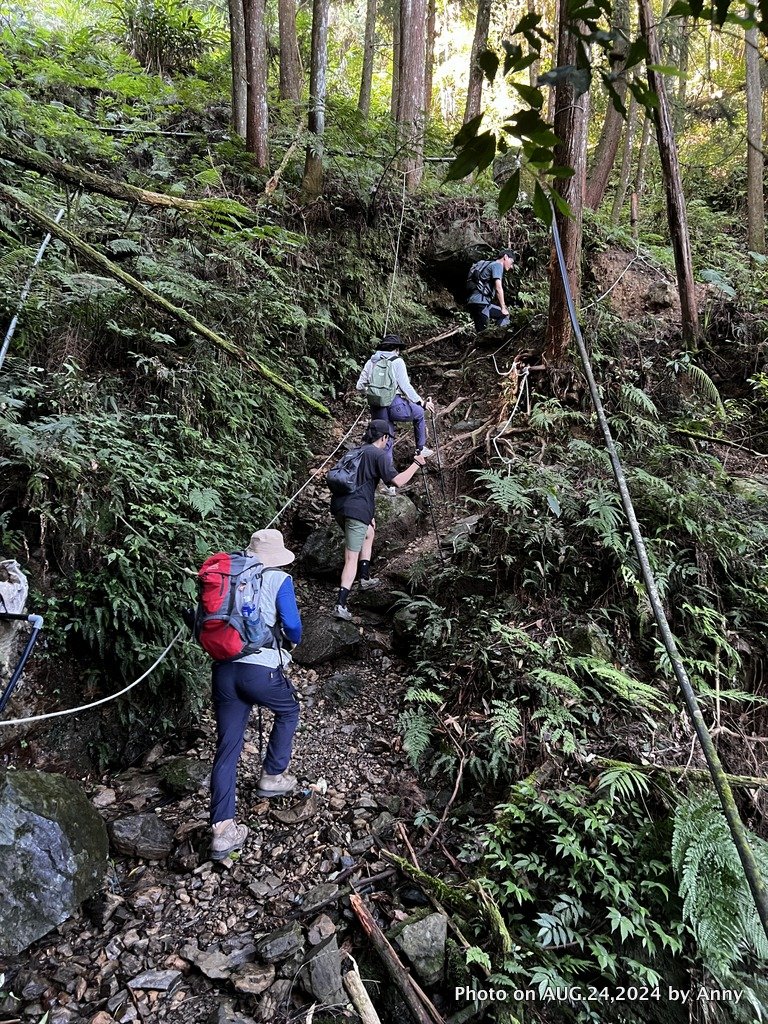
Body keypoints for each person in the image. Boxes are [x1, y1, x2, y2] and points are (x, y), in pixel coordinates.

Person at [209, 528, 302, 861]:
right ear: (277, 557)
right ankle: (273, 776)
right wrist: (290, 638)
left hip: (223, 670)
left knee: (228, 747)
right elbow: (293, 627)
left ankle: (222, 831)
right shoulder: (279, 580)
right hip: (260, 671)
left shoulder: (228, 578)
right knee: (289, 710)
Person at [330, 419, 430, 621]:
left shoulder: (357, 451)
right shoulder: (378, 455)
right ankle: (340, 604)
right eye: (388, 438)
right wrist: (416, 464)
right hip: (356, 511)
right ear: (384, 437)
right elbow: (397, 481)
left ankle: (365, 578)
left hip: (340, 507)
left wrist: (368, 516)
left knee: (369, 532)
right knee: (351, 559)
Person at [356, 335, 435, 456]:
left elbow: (359, 386)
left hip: (376, 406)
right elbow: (405, 386)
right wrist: (421, 402)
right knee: (419, 413)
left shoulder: (371, 361)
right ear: (396, 349)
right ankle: (420, 449)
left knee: (385, 440)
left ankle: (384, 473)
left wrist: (374, 394)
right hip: (395, 404)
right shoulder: (397, 361)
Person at [466, 249, 516, 331]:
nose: (511, 266)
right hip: (481, 303)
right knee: (483, 332)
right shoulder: (497, 265)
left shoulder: (489, 264)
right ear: (505, 257)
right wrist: (503, 307)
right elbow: (498, 288)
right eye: (512, 262)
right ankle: (497, 338)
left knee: (504, 315)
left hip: (474, 301)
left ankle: (496, 336)